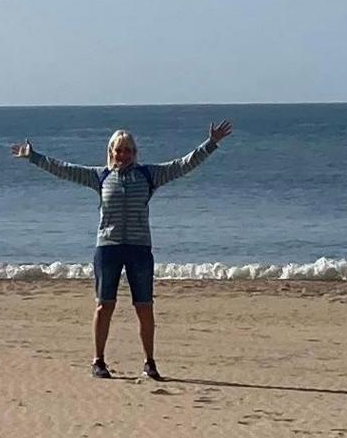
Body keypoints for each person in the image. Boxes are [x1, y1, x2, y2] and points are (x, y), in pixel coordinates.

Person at [12, 121, 232, 379]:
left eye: (127, 150)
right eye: (118, 150)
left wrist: (211, 144)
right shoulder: (101, 176)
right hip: (108, 248)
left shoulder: (149, 175)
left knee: (144, 306)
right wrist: (33, 157)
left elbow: (182, 165)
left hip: (139, 249)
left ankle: (150, 363)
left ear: (134, 152)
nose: (123, 154)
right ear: (111, 152)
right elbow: (65, 170)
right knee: (104, 305)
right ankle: (98, 361)